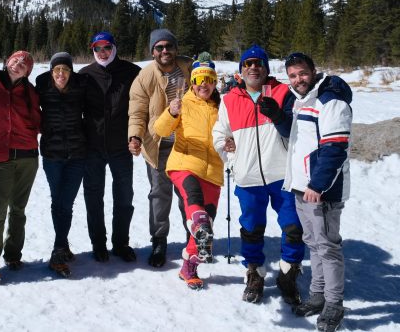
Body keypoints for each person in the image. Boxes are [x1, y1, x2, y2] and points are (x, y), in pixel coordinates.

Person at [260, 52, 351, 332]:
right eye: (293, 75)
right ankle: (318, 295)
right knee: (313, 244)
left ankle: (334, 304)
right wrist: (278, 116)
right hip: (302, 187)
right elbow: (295, 134)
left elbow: (335, 148)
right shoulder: (301, 100)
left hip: (321, 190)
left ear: (313, 71)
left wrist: (317, 185)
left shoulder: (330, 101)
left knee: (327, 247)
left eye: (302, 73)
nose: (298, 79)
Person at [212, 44, 304, 304]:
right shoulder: (229, 99)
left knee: (294, 227)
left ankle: (289, 273)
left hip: (283, 175)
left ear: (266, 68)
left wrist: (279, 117)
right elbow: (219, 134)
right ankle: (255, 273)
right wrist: (230, 154)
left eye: (259, 63)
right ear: (241, 70)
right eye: (248, 63)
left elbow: (297, 131)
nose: (253, 67)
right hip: (248, 177)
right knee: (251, 228)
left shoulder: (283, 92)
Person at [154, 57, 224, 289]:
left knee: (207, 224)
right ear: (192, 82)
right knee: (194, 201)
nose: (204, 84)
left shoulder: (221, 108)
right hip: (184, 164)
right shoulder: (182, 103)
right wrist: (171, 112)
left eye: (209, 79)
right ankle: (199, 225)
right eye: (199, 79)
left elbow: (230, 134)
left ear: (214, 82)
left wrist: (231, 144)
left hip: (212, 171)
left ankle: (189, 267)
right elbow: (161, 130)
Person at [0, 50, 41, 286]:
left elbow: (39, 121)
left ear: (28, 72)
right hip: (2, 157)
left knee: (18, 209)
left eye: (25, 63)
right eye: (16, 59)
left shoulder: (30, 92)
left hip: (28, 156)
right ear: (7, 61)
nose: (19, 64)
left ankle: (13, 254)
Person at [128, 29, 191, 267]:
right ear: (152, 51)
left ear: (176, 48)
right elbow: (137, 112)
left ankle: (194, 238)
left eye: (169, 46)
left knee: (189, 194)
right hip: (158, 145)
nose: (165, 51)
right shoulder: (144, 77)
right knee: (159, 195)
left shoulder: (189, 69)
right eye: (159, 47)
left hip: (187, 145)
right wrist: (135, 136)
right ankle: (159, 240)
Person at [80, 32, 141, 262]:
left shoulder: (132, 72)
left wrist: (137, 135)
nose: (102, 52)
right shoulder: (85, 75)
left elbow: (142, 106)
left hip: (121, 147)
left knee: (124, 197)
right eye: (97, 48)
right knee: (93, 197)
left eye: (106, 47)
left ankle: (121, 243)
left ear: (114, 48)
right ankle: (98, 244)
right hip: (92, 147)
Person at [36, 52, 87, 277]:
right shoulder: (42, 88)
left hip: (77, 154)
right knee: (58, 201)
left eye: (65, 69)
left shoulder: (80, 87)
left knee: (66, 202)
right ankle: (61, 246)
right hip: (52, 155)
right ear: (50, 72)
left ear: (71, 72)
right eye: (57, 69)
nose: (61, 74)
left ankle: (59, 247)